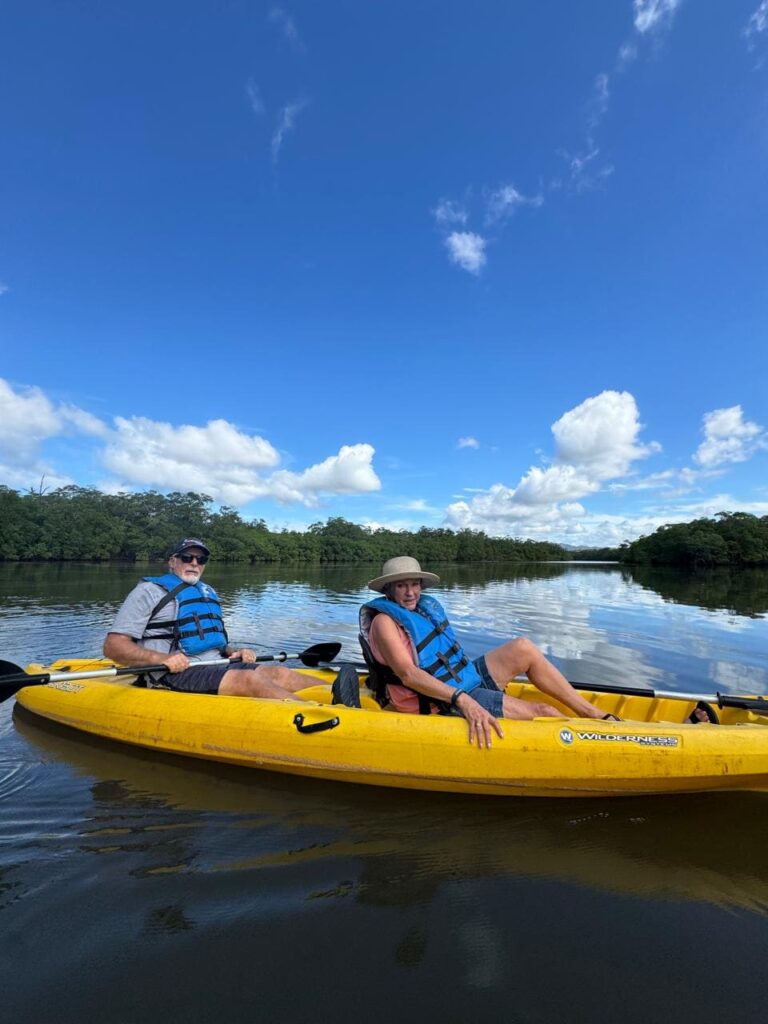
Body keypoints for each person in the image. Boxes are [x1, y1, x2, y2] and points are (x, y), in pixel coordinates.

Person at [359, 556, 619, 748]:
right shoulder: (385, 622)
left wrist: (464, 690)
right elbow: (409, 675)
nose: (410, 592)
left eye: (414, 584)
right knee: (545, 713)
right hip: (433, 700)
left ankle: (589, 713)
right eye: (401, 586)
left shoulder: (420, 610)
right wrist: (464, 700)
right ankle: (597, 745)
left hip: (459, 682)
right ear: (388, 590)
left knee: (523, 648)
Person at [104, 538, 314, 699]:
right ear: (172, 561)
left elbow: (209, 640)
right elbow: (113, 646)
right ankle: (321, 720)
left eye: (201, 559)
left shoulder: (207, 592)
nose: (194, 563)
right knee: (248, 679)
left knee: (279, 673)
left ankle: (341, 696)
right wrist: (160, 659)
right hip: (173, 672)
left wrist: (234, 652)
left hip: (217, 664)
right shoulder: (149, 591)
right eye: (187, 557)